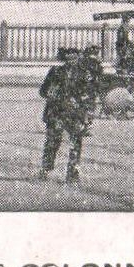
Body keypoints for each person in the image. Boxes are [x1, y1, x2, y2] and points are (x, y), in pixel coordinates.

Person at [39, 48, 100, 184]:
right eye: (69, 59)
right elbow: (43, 91)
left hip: (74, 113)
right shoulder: (55, 72)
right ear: (64, 60)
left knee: (75, 144)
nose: (71, 62)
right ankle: (46, 169)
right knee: (53, 142)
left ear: (79, 59)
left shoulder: (84, 75)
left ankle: (72, 174)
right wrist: (52, 93)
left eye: (74, 58)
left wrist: (87, 113)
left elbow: (90, 94)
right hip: (57, 112)